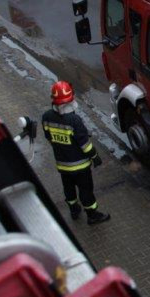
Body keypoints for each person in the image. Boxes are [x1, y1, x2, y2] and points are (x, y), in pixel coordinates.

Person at [41, 80, 110, 224]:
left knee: (69, 189)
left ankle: (74, 210)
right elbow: (84, 144)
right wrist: (95, 156)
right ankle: (92, 215)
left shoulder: (46, 117)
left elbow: (49, 138)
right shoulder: (74, 120)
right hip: (80, 167)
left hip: (62, 165)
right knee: (85, 190)